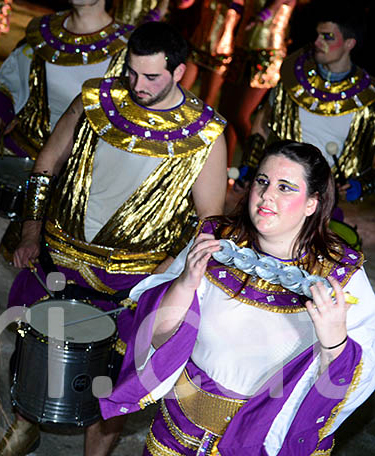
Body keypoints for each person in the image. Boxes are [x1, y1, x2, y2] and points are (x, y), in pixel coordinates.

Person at [0, 22, 227, 456]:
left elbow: (208, 223)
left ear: (179, 73)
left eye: (152, 77)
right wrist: (30, 231)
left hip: (132, 280)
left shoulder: (205, 135)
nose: (138, 85)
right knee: (37, 347)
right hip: (59, 259)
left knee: (110, 380)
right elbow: (46, 164)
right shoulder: (96, 99)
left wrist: (165, 278)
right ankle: (24, 425)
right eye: (133, 73)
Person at [101, 141, 375, 454]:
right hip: (178, 431)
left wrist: (335, 345)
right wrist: (185, 283)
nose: (267, 194)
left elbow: (350, 385)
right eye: (262, 181)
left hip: (262, 442)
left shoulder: (343, 280)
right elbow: (158, 337)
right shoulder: (215, 242)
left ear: (312, 203)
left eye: (285, 187)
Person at [0, 0, 129, 163]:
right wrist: (0, 110)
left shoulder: (125, 49)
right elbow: (11, 81)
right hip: (22, 152)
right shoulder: (44, 33)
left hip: (76, 167)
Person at [239, 13, 375, 202]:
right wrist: (250, 164)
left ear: (349, 44)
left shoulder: (368, 99)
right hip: (279, 190)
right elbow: (263, 121)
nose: (318, 42)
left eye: (328, 37)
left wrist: (363, 184)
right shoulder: (293, 80)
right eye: (318, 35)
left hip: (323, 200)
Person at [220, 0, 296, 163]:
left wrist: (258, 19)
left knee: (241, 114)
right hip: (244, 50)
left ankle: (259, 164)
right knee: (225, 111)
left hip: (267, 55)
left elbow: (270, 9)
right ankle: (224, 168)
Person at [177, 0, 247, 105]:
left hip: (221, 53)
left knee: (207, 100)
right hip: (197, 46)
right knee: (180, 91)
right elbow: (183, 4)